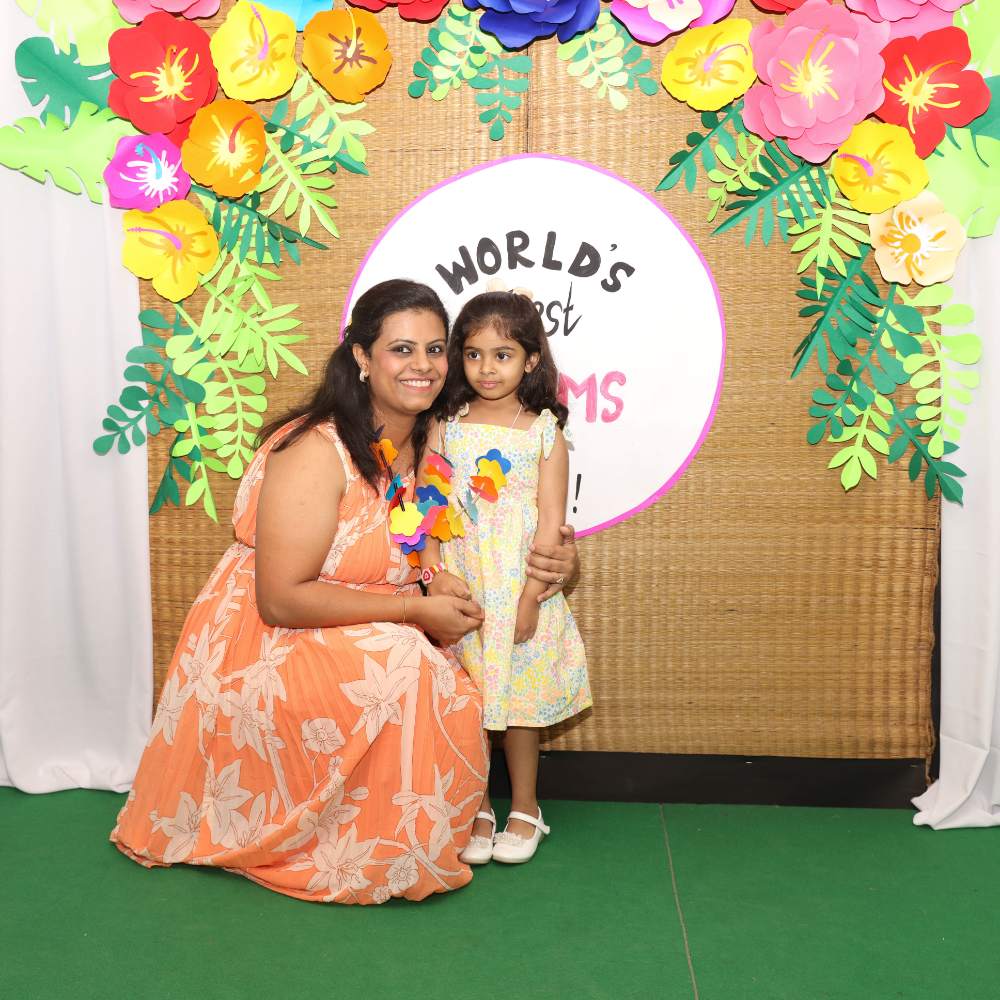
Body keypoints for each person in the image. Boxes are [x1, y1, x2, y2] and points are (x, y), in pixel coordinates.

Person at [110, 279, 579, 904]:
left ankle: (450, 813)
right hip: (276, 634)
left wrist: (554, 561)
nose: (422, 365)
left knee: (450, 666)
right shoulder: (315, 447)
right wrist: (413, 610)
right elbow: (280, 600)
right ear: (361, 356)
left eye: (434, 349)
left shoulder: (432, 436)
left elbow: (469, 530)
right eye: (401, 349)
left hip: (379, 618)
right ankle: (350, 841)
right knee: (412, 664)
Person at [418, 291, 592, 865]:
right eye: (473, 355)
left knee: (519, 705)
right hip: (464, 584)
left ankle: (525, 807)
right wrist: (434, 574)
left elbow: (550, 525)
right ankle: (476, 805)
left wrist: (531, 598)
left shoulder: (544, 431)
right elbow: (429, 504)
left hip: (516, 587)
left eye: (503, 355)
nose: (486, 369)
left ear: (531, 360)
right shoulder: (446, 424)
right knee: (468, 699)